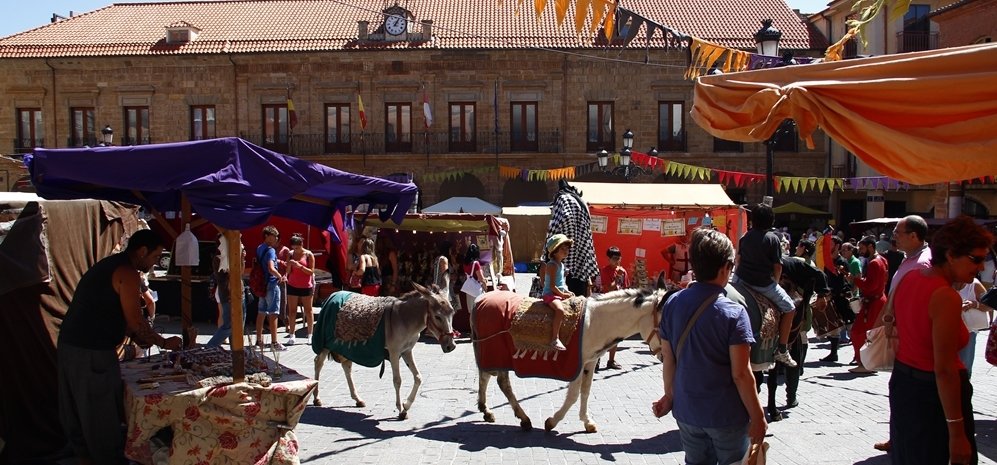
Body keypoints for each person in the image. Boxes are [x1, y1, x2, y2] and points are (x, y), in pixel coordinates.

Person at [58, 229, 183, 465]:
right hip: (91, 350)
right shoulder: (127, 272)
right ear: (142, 251)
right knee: (99, 411)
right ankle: (104, 458)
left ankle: (86, 455)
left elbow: (116, 315)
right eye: (155, 257)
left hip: (73, 346)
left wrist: (137, 336)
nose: (156, 263)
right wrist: (164, 342)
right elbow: (136, 321)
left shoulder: (109, 265)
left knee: (80, 409)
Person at [653, 227, 766, 464]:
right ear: (725, 267)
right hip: (727, 416)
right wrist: (757, 416)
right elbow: (742, 374)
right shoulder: (734, 313)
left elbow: (668, 357)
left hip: (687, 413)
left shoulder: (672, 303)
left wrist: (669, 395)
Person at [889, 216, 993, 465]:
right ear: (950, 255)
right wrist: (957, 433)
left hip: (905, 386)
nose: (981, 267)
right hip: (933, 397)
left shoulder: (910, 277)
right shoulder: (945, 296)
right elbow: (945, 370)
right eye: (975, 259)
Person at [874, 214, 933, 453]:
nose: (893, 237)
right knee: (898, 394)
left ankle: (905, 443)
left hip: (914, 343)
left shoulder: (923, 264)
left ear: (914, 236)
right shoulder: (910, 259)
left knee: (908, 397)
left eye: (898, 233)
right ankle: (897, 438)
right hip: (903, 339)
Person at [732, 203, 798, 367]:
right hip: (762, 283)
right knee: (790, 308)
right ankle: (782, 349)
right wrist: (775, 283)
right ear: (770, 220)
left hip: (740, 279)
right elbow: (777, 266)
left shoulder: (745, 237)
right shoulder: (772, 239)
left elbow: (738, 260)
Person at [546, 180, 599, 297]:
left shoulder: (562, 199)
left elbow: (559, 222)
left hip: (565, 253)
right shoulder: (582, 203)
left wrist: (546, 251)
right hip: (583, 257)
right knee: (579, 294)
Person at [847, 236, 888, 373]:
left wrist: (856, 280)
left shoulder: (874, 263)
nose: (860, 250)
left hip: (873, 302)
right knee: (868, 333)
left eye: (862, 248)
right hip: (878, 300)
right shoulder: (882, 260)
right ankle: (868, 362)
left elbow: (870, 286)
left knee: (858, 333)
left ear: (871, 246)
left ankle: (865, 364)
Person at [207, 235, 247, 347]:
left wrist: (242, 259)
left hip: (235, 292)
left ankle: (235, 351)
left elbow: (240, 273)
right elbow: (231, 275)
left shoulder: (229, 256)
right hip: (229, 294)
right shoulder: (221, 258)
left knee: (236, 326)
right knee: (230, 326)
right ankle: (210, 347)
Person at [597, 246, 629, 370]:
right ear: (608, 259)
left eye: (619, 258)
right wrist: (616, 278)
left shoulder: (623, 271)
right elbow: (607, 289)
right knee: (603, 335)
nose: (617, 261)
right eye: (614, 258)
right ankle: (598, 358)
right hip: (607, 306)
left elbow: (626, 288)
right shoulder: (604, 271)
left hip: (619, 307)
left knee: (616, 335)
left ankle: (611, 360)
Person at [256, 225, 286, 351]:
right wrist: (280, 276)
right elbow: (270, 268)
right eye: (274, 236)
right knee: (274, 313)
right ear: (267, 236)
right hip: (272, 284)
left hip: (262, 284)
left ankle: (259, 340)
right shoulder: (271, 250)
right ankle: (274, 342)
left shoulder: (259, 248)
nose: (276, 238)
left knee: (261, 312)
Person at [542, 234, 574, 351]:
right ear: (554, 251)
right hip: (550, 294)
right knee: (560, 310)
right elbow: (552, 286)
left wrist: (568, 292)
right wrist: (563, 295)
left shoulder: (561, 264)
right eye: (562, 249)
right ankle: (554, 338)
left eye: (567, 248)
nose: (566, 251)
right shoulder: (551, 265)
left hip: (558, 293)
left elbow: (561, 284)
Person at [955, 277, 992, 376]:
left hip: (968, 331)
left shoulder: (974, 285)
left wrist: (974, 304)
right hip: (949, 329)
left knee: (964, 364)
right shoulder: (946, 283)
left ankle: (964, 386)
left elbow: (989, 306)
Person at [285, 233, 316, 344]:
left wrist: (300, 266)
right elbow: (288, 271)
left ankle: (310, 335)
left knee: (308, 310)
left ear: (301, 244)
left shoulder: (308, 255)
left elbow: (311, 271)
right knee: (292, 311)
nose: (295, 250)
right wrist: (288, 265)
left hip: (306, 285)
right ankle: (292, 335)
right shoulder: (290, 254)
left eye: (297, 247)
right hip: (292, 284)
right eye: (293, 247)